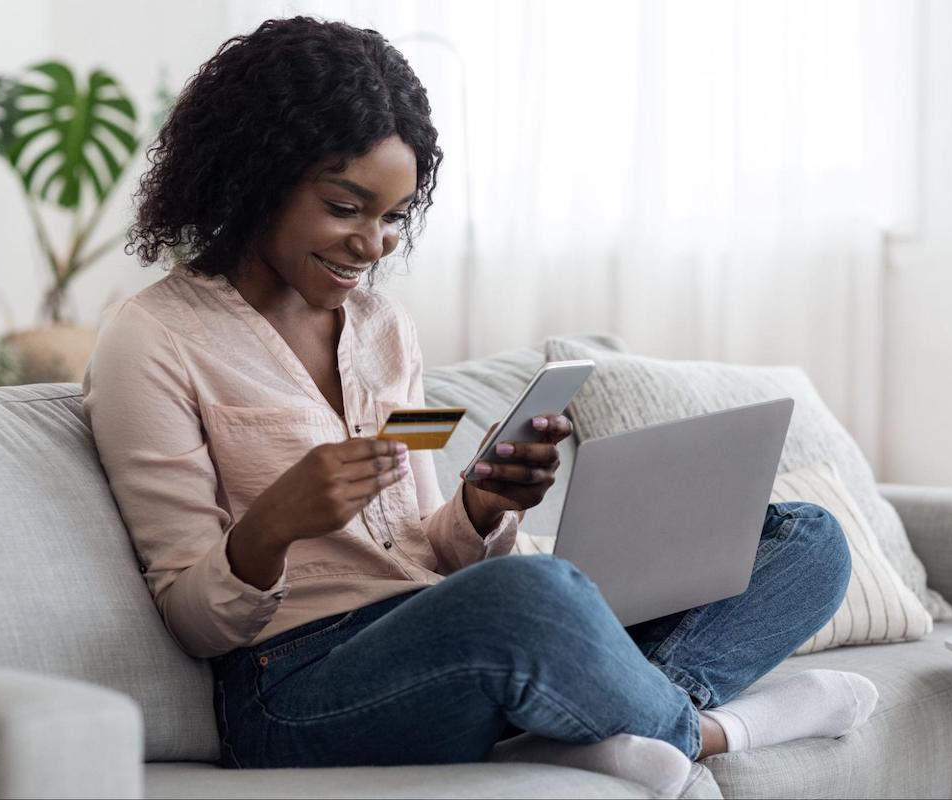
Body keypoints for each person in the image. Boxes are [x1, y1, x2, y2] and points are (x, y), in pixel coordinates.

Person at [83, 15, 876, 786]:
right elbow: (191, 617)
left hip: (449, 633)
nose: (372, 245)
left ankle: (587, 717)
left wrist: (483, 506)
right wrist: (272, 527)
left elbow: (425, 548)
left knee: (805, 539)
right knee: (531, 596)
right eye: (345, 206)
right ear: (255, 175)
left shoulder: (383, 329)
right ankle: (705, 730)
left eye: (394, 217)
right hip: (294, 686)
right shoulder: (151, 340)